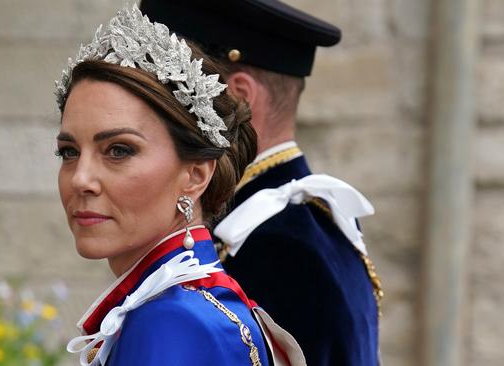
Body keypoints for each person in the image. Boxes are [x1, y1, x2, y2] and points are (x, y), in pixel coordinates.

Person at [54, 5, 304, 366]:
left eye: (119, 150)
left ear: (196, 175)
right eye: (69, 152)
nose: (81, 179)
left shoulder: (170, 321)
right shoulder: (188, 303)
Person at [140, 1, 382, 365]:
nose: (153, 110)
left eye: (173, 92)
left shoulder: (274, 244)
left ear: (239, 96)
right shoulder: (307, 219)